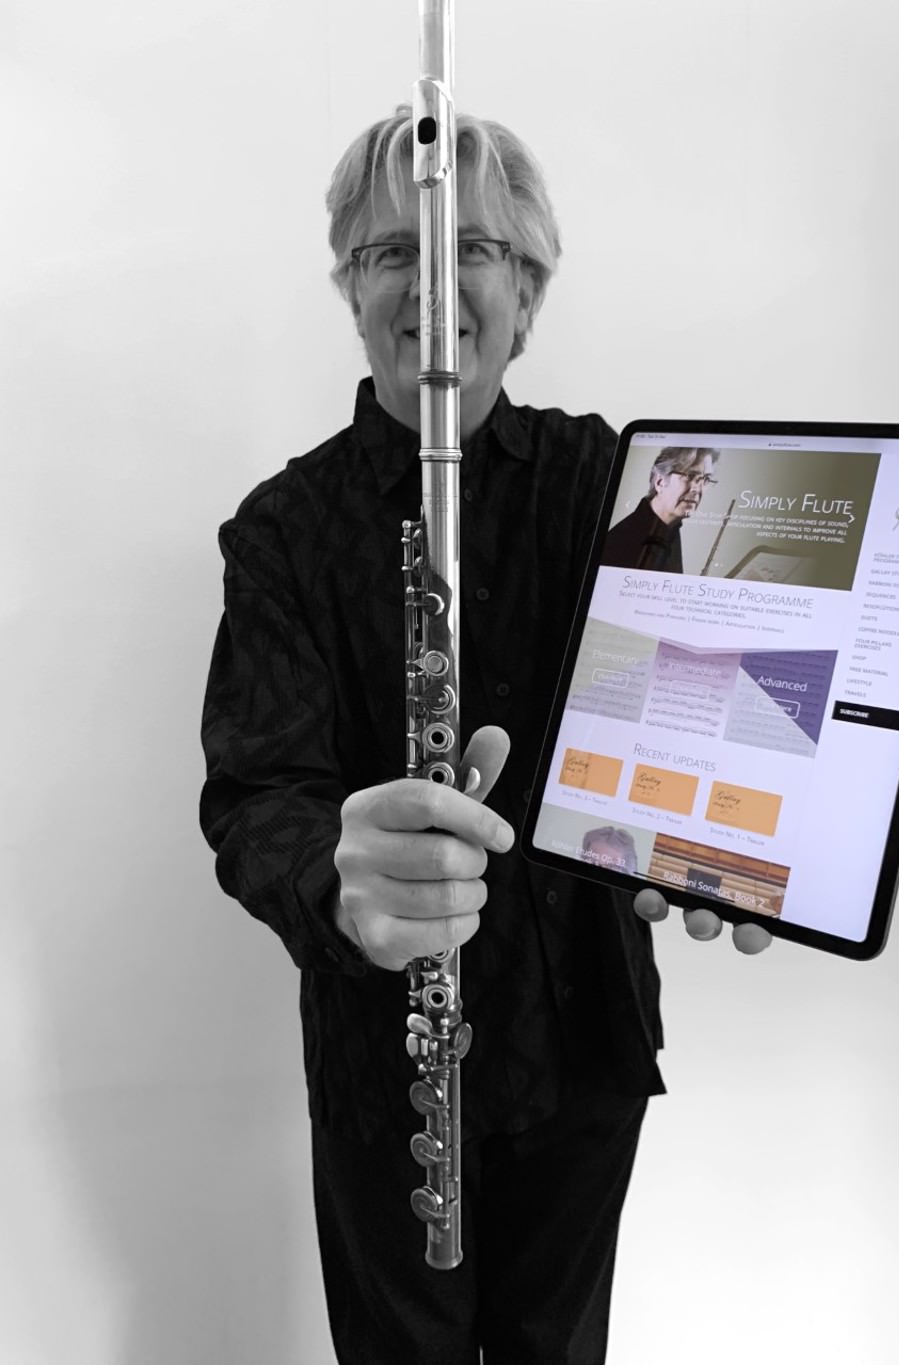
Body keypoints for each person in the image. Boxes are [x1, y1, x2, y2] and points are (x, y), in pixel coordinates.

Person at [199, 105, 771, 1365]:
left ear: (528, 293)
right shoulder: (282, 527)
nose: (430, 283)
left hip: (583, 1043)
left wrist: (732, 830)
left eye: (473, 247)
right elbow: (254, 797)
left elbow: (703, 701)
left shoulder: (613, 482)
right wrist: (336, 876)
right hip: (384, 1062)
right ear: (350, 291)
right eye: (390, 251)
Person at [601, 446, 720, 572]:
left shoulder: (669, 528)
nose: (698, 489)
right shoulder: (623, 542)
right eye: (690, 476)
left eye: (706, 479)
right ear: (660, 481)